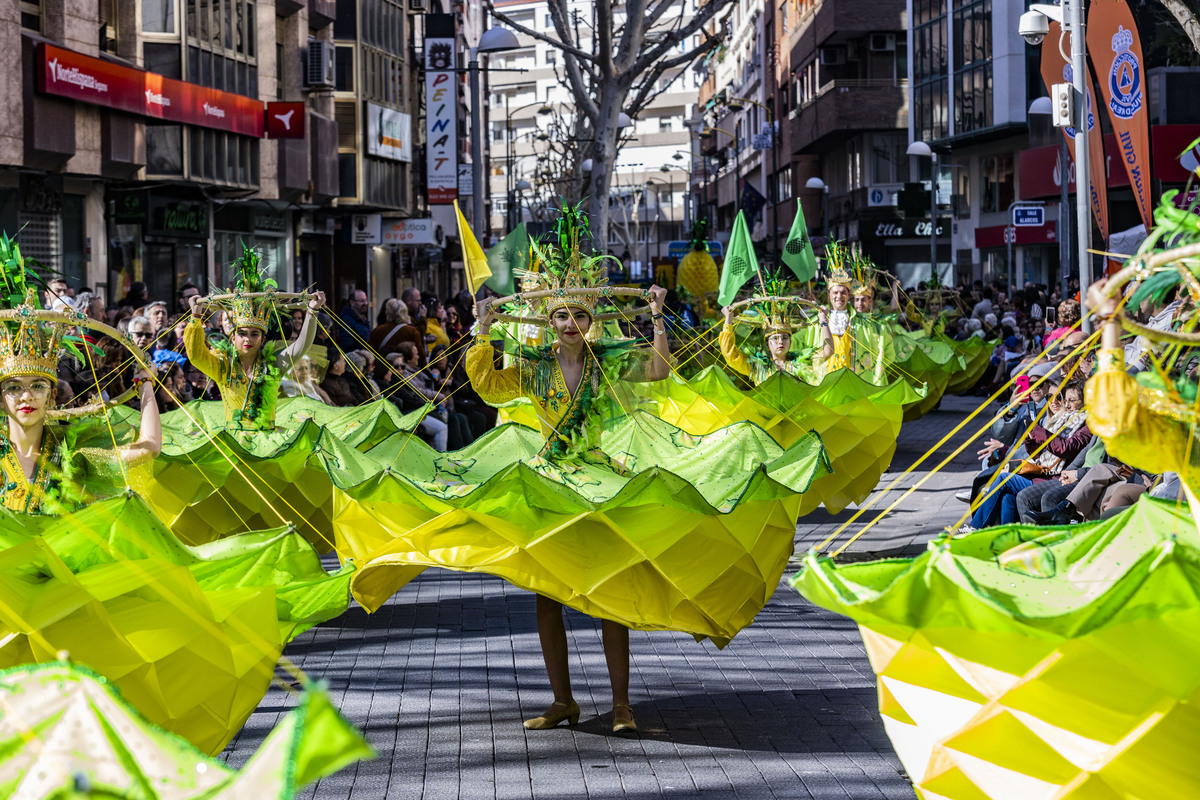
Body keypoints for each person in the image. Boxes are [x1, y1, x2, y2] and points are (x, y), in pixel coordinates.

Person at [469, 262, 668, 733]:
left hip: (598, 479)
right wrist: (482, 330)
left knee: (611, 594)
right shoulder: (535, 366)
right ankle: (563, 702)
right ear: (549, 323)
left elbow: (659, 369)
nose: (571, 325)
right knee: (547, 597)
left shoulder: (607, 359)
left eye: (579, 317)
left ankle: (622, 705)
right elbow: (487, 385)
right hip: (550, 481)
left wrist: (657, 317)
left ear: (590, 322)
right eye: (561, 317)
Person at [184, 245, 325, 430]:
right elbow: (195, 356)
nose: (247, 339)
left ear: (263, 339)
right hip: (234, 443)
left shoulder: (273, 365)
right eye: (241, 334)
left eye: (254, 334)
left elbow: (302, 345)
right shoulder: (222, 366)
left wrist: (312, 311)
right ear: (232, 337)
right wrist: (195, 317)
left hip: (268, 440)